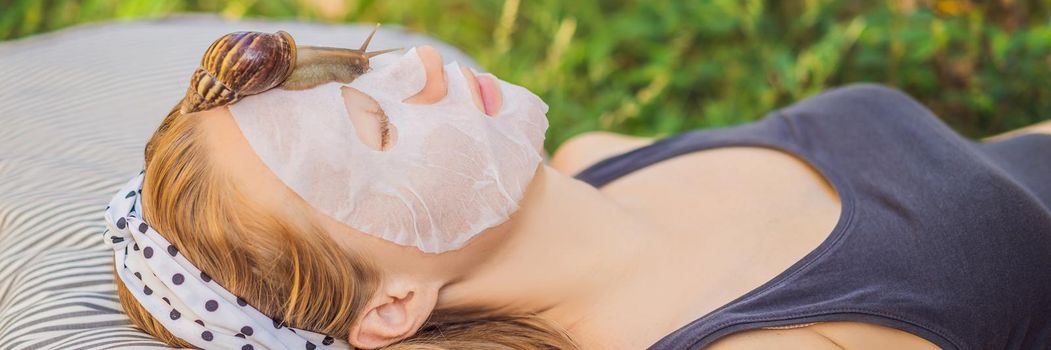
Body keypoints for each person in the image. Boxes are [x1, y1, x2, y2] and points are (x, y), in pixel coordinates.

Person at [105, 43, 1051, 350]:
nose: (429, 67)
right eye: (379, 131)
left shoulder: (604, 158)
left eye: (367, 72)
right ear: (392, 304)